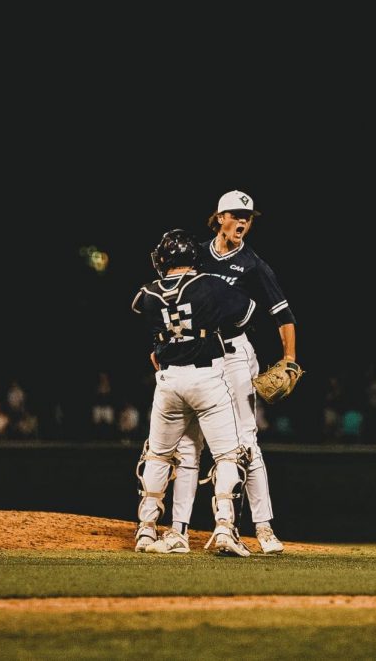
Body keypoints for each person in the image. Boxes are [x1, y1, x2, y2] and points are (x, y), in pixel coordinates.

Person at [153, 190, 294, 556]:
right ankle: (179, 530)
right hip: (195, 353)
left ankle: (263, 528)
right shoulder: (194, 254)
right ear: (218, 217)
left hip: (233, 354)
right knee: (188, 444)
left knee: (246, 441)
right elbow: (169, 301)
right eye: (235, 214)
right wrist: (161, 345)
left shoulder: (252, 265)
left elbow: (283, 314)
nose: (243, 221)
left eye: (247, 216)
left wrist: (289, 357)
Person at [131, 228, 256, 557]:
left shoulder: (148, 291)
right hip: (206, 379)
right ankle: (226, 528)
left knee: (159, 455)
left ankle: (148, 530)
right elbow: (245, 314)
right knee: (228, 456)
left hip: (169, 382)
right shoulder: (209, 284)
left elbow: (150, 323)